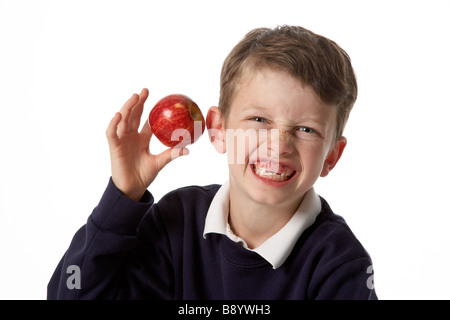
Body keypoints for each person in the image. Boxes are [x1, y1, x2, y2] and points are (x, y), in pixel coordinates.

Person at [47, 25, 377, 300]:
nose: (279, 146)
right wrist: (121, 198)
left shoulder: (339, 263)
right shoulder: (177, 220)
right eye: (259, 119)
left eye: (306, 129)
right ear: (219, 131)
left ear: (331, 156)